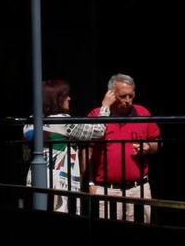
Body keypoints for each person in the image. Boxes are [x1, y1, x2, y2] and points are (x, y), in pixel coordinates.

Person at [23, 79, 111, 213]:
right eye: (66, 96)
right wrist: (105, 107)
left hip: (35, 179)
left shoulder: (30, 121)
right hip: (59, 184)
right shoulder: (64, 121)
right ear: (56, 99)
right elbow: (97, 130)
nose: (69, 98)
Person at [85, 73, 161, 222]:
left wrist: (149, 147)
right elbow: (87, 151)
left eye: (131, 96)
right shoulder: (96, 115)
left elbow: (157, 142)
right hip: (107, 189)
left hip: (138, 188)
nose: (128, 101)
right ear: (111, 95)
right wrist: (90, 183)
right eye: (123, 96)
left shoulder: (143, 113)